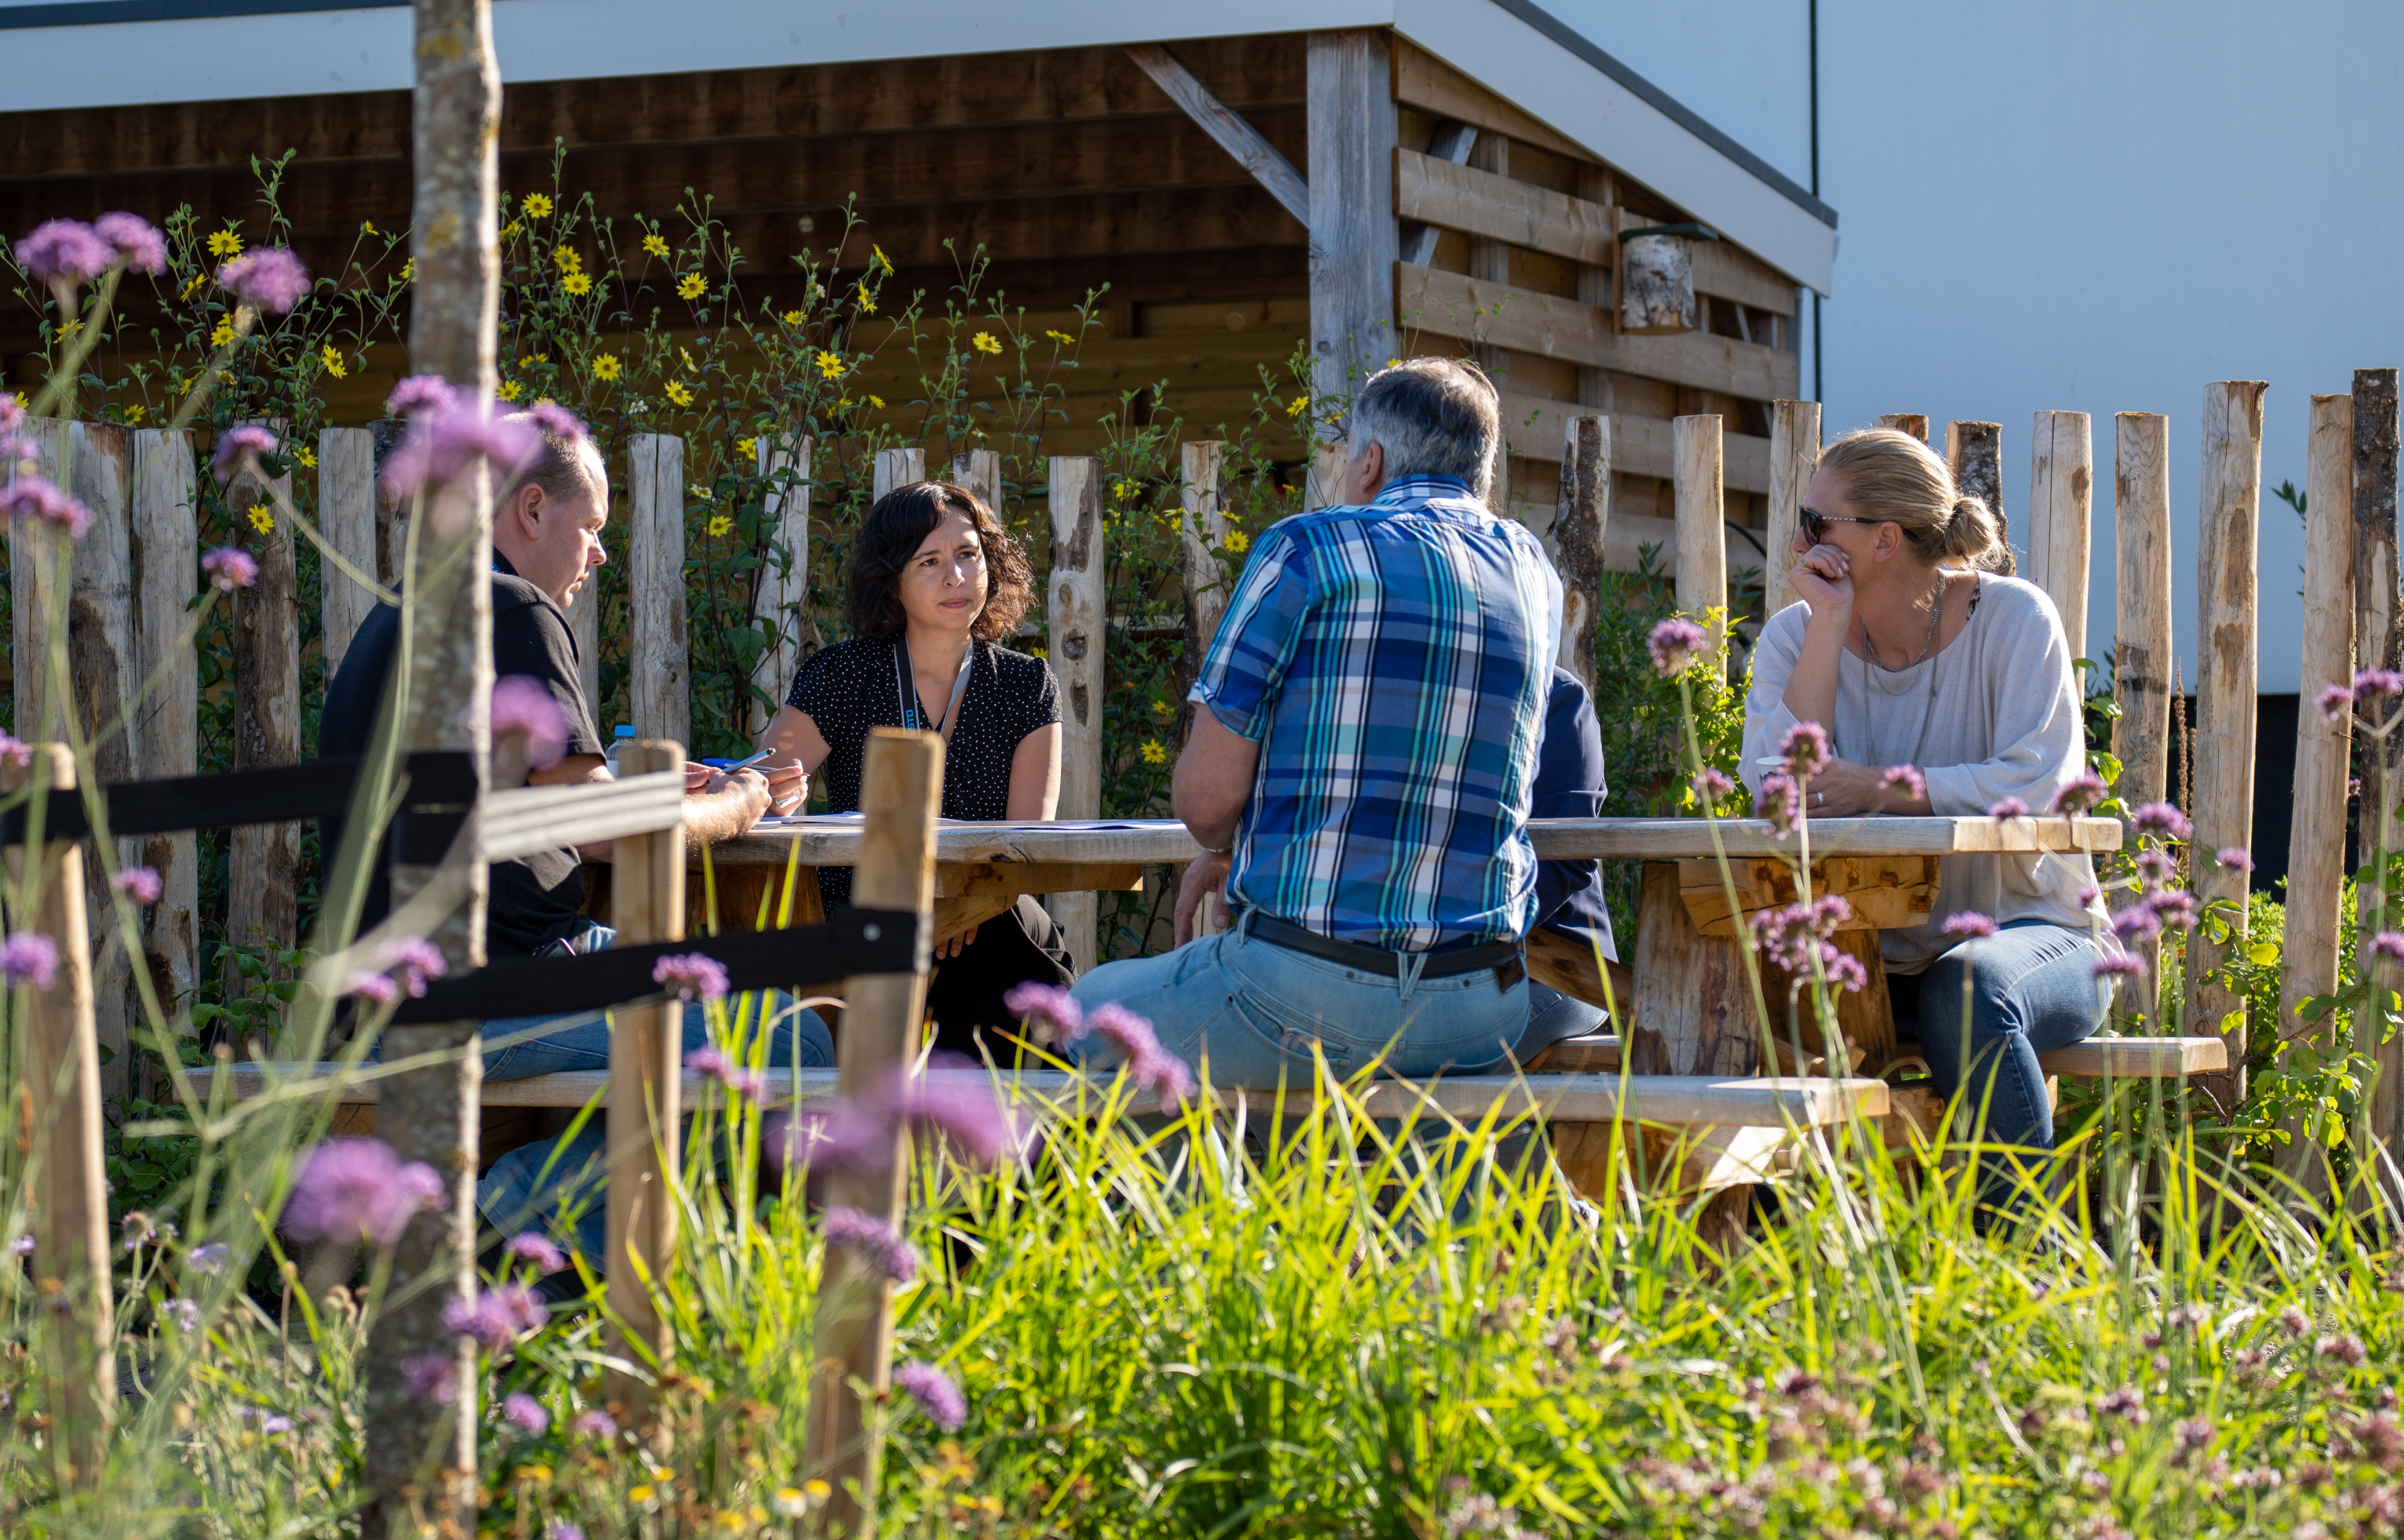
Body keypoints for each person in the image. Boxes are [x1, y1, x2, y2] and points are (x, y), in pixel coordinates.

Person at [318, 413, 832, 1264]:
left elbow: (541, 802)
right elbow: (601, 832)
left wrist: (656, 790)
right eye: (591, 528)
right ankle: (505, 1215)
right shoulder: (510, 603)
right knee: (798, 1043)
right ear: (530, 509)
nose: (597, 555)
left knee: (718, 992)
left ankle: (556, 1254)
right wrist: (742, 801)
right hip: (481, 988)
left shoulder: (402, 616)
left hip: (401, 979)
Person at [1066, 356, 1563, 1084]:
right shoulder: (1532, 571)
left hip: (1305, 996)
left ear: (1371, 462)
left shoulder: (1309, 549)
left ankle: (1201, 1200)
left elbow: (1205, 807)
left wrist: (1238, 841)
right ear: (1480, 474)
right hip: (1480, 1008)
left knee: (1086, 1010)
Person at [1739, 426, 2109, 1159]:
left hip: (2036, 937)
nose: (1796, 543)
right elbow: (1779, 792)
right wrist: (1829, 625)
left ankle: (2024, 1256)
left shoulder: (2014, 619)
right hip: (1868, 958)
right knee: (1746, 1001)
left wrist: (1882, 789)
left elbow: (2037, 788)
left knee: (1967, 990)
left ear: (1883, 541)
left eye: (1816, 523)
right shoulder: (1795, 636)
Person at [755, 480, 1074, 1055]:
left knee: (1002, 939)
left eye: (968, 555)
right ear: (891, 579)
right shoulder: (844, 674)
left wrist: (961, 906)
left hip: (988, 909)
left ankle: (1005, 1135)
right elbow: (765, 783)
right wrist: (780, 792)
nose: (956, 576)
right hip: (867, 913)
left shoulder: (1028, 686)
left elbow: (1029, 842)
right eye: (930, 561)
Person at [1518, 667, 1618, 1057]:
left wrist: (1464, 931)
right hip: (1436, 966)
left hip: (1563, 969)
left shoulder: (1557, 696)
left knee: (1428, 1066)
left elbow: (1567, 862)